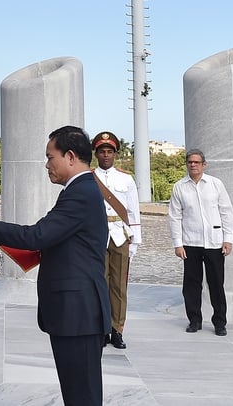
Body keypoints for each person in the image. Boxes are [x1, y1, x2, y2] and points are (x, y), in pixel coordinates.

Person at [0, 125, 111, 406]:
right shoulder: (79, 189)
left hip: (78, 313)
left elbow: (38, 235)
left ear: (71, 156)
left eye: (51, 157)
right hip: (75, 312)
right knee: (77, 393)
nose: (47, 164)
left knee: (82, 396)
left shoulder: (81, 192)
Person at [168, 148, 233, 336]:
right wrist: (177, 243)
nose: (193, 165)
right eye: (190, 162)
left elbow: (227, 212)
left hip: (214, 242)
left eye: (197, 162)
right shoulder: (180, 187)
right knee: (191, 284)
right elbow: (175, 216)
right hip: (191, 242)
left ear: (204, 164)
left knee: (216, 284)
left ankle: (220, 322)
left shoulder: (215, 184)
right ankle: (194, 320)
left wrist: (228, 239)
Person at [91, 131, 141, 349]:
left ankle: (117, 329)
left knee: (119, 285)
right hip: (97, 235)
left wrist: (135, 241)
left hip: (120, 235)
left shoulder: (126, 179)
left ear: (115, 154)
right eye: (102, 151)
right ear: (96, 154)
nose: (105, 155)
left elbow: (133, 211)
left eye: (109, 151)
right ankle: (101, 328)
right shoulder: (88, 177)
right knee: (99, 284)